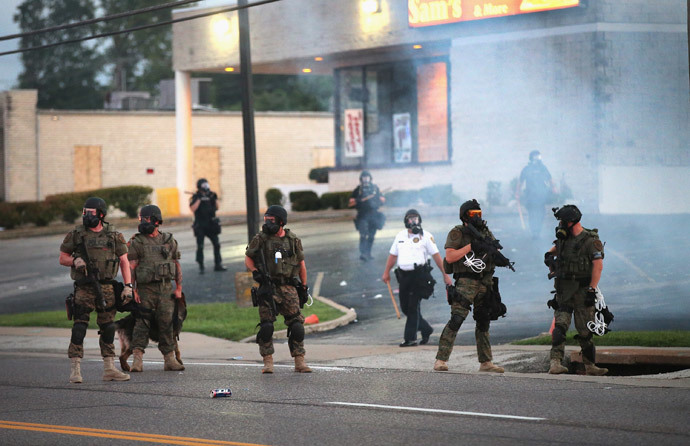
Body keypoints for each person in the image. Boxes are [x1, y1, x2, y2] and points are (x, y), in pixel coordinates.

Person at [59, 197, 132, 383]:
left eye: (90, 213)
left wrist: (128, 286)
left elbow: (124, 261)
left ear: (101, 214)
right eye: (84, 212)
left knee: (108, 328)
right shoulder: (77, 234)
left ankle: (109, 368)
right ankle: (75, 370)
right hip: (84, 288)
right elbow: (62, 258)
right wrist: (74, 261)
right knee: (79, 327)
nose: (86, 216)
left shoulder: (113, 235)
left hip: (106, 287)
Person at [433, 199, 505, 373]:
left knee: (483, 321)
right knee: (457, 319)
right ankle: (440, 360)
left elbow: (495, 249)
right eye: (474, 214)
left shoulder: (485, 231)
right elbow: (450, 257)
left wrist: (496, 255)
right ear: (465, 215)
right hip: (466, 281)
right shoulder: (457, 233)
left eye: (479, 214)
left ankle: (486, 362)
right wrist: (471, 246)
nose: (478, 217)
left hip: (485, 281)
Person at [245, 205, 312, 374]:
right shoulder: (261, 239)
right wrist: (255, 273)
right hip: (268, 287)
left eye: (272, 220)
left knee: (297, 325)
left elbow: (301, 265)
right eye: (266, 220)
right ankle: (268, 362)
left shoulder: (293, 240)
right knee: (266, 326)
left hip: (289, 287)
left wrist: (304, 287)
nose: (268, 224)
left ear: (281, 221)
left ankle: (299, 361)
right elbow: (248, 258)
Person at [545, 205, 608, 375]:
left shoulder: (590, 240)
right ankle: (555, 363)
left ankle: (590, 366)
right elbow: (555, 249)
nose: (560, 224)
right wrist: (549, 256)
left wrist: (591, 290)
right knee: (560, 328)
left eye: (562, 221)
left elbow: (598, 267)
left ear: (571, 221)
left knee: (585, 330)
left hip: (582, 290)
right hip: (564, 291)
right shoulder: (563, 239)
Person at [382, 209, 453, 347]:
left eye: (415, 218)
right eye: (410, 219)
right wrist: (386, 272)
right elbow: (392, 255)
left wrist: (445, 274)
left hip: (419, 276)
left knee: (413, 307)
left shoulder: (426, 236)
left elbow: (436, 256)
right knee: (405, 307)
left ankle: (410, 338)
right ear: (405, 221)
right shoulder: (400, 236)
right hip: (404, 277)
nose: (413, 221)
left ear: (419, 220)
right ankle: (426, 329)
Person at [127, 204, 185, 373]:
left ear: (156, 220)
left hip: (166, 289)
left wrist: (179, 287)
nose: (143, 222)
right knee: (142, 323)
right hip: (145, 290)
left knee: (167, 323)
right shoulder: (137, 242)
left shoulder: (169, 241)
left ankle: (169, 359)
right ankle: (137, 359)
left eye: (145, 219)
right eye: (141, 219)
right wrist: (133, 289)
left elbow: (176, 264)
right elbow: (132, 266)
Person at [516, 150, 557, 239]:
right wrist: (517, 193)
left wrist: (554, 188)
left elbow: (550, 179)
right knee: (532, 214)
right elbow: (520, 181)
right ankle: (534, 231)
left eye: (538, 156)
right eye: (535, 157)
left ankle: (538, 230)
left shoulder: (543, 168)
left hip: (541, 195)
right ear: (531, 158)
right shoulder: (526, 169)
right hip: (530, 196)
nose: (537, 159)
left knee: (541, 213)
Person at [190, 178, 226, 273]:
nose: (206, 187)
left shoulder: (211, 195)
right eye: (203, 185)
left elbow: (217, 207)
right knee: (200, 246)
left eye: (206, 185)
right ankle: (201, 265)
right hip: (200, 225)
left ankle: (218, 264)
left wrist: (214, 198)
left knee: (217, 244)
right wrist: (199, 199)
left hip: (211, 224)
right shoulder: (196, 196)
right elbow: (193, 208)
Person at [348, 170, 386, 261]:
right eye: (364, 177)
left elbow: (382, 200)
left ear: (370, 178)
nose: (365, 179)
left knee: (372, 235)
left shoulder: (375, 189)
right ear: (361, 179)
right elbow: (351, 202)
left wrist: (381, 200)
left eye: (367, 177)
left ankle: (368, 252)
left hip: (373, 215)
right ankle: (363, 253)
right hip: (362, 215)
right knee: (363, 235)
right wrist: (357, 201)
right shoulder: (358, 190)